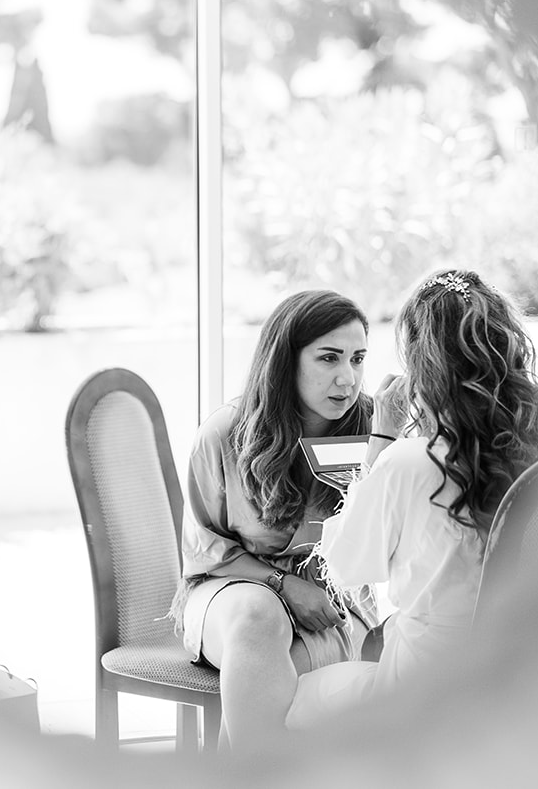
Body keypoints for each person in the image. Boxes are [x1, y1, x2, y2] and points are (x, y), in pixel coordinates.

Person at [285, 268, 538, 728]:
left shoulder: (410, 463)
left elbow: (346, 566)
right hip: (533, 682)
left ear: (425, 366)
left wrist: (382, 438)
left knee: (296, 698)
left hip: (429, 687)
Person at [172, 289, 380, 751]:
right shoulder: (224, 435)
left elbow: (386, 542)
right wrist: (284, 586)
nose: (347, 378)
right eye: (329, 358)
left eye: (358, 359)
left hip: (332, 604)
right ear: (286, 360)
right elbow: (206, 551)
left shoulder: (374, 430)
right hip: (229, 594)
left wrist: (386, 442)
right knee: (257, 618)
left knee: (258, 684)